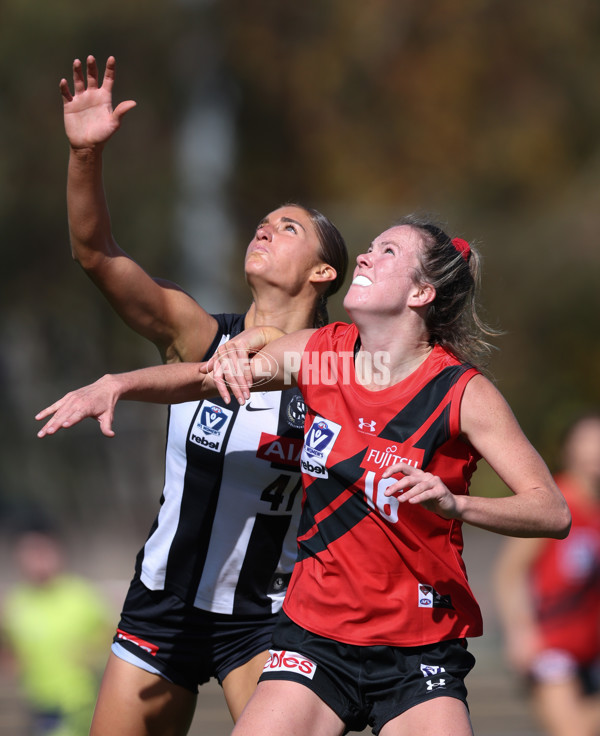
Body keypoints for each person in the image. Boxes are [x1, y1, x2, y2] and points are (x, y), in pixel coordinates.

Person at [36, 216, 571, 735]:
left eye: (388, 252)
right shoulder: (326, 357)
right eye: (370, 245)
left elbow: (551, 510)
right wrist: (119, 384)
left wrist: (456, 505)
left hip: (418, 647)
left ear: (421, 294)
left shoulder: (461, 393)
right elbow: (209, 376)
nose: (365, 254)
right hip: (315, 639)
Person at [58, 54, 348, 735]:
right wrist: (83, 156)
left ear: (323, 271)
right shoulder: (197, 337)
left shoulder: (340, 368)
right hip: (162, 604)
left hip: (265, 616)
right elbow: (96, 254)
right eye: (263, 222)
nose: (264, 229)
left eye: (289, 228)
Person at [494, 412, 600, 736]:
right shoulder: (554, 505)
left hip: (591, 645)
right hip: (552, 643)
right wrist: (519, 631)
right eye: (588, 443)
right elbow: (508, 572)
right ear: (569, 451)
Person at [1, 523, 112, 736]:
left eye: (43, 551)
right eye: (30, 553)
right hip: (41, 706)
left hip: (85, 704)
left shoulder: (82, 595)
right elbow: (8, 647)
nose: (38, 560)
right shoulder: (15, 602)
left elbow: (112, 636)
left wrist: (92, 652)